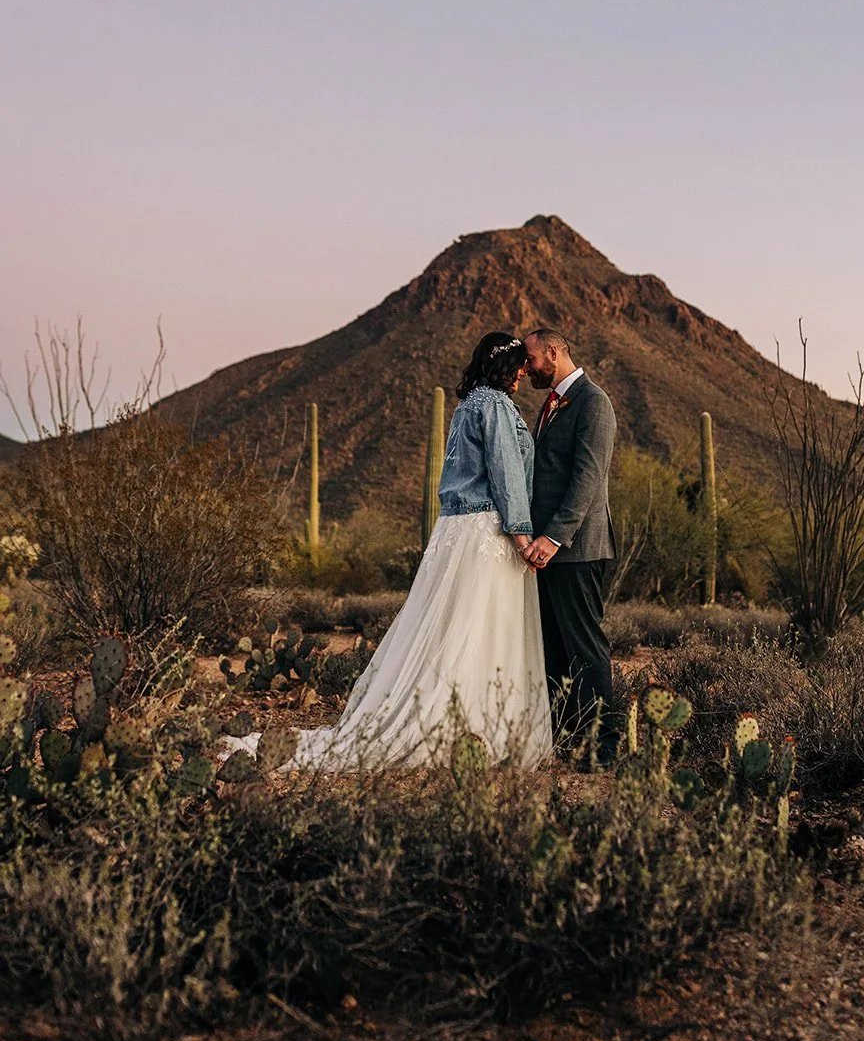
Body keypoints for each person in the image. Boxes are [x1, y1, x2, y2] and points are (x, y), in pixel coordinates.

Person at [221, 332, 551, 770]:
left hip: (457, 530)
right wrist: (523, 535)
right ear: (509, 367)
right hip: (488, 528)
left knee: (455, 626)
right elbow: (507, 473)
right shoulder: (493, 405)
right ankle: (477, 726)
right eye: (521, 367)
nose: (525, 375)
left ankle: (467, 724)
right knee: (484, 624)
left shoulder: (467, 404)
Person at [522, 327, 618, 767]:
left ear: (555, 351)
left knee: (584, 646)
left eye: (532, 359)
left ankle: (603, 746)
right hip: (551, 552)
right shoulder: (552, 404)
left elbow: (587, 478)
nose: (527, 368)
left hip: (578, 549)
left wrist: (554, 535)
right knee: (555, 648)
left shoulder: (593, 402)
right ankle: (566, 741)